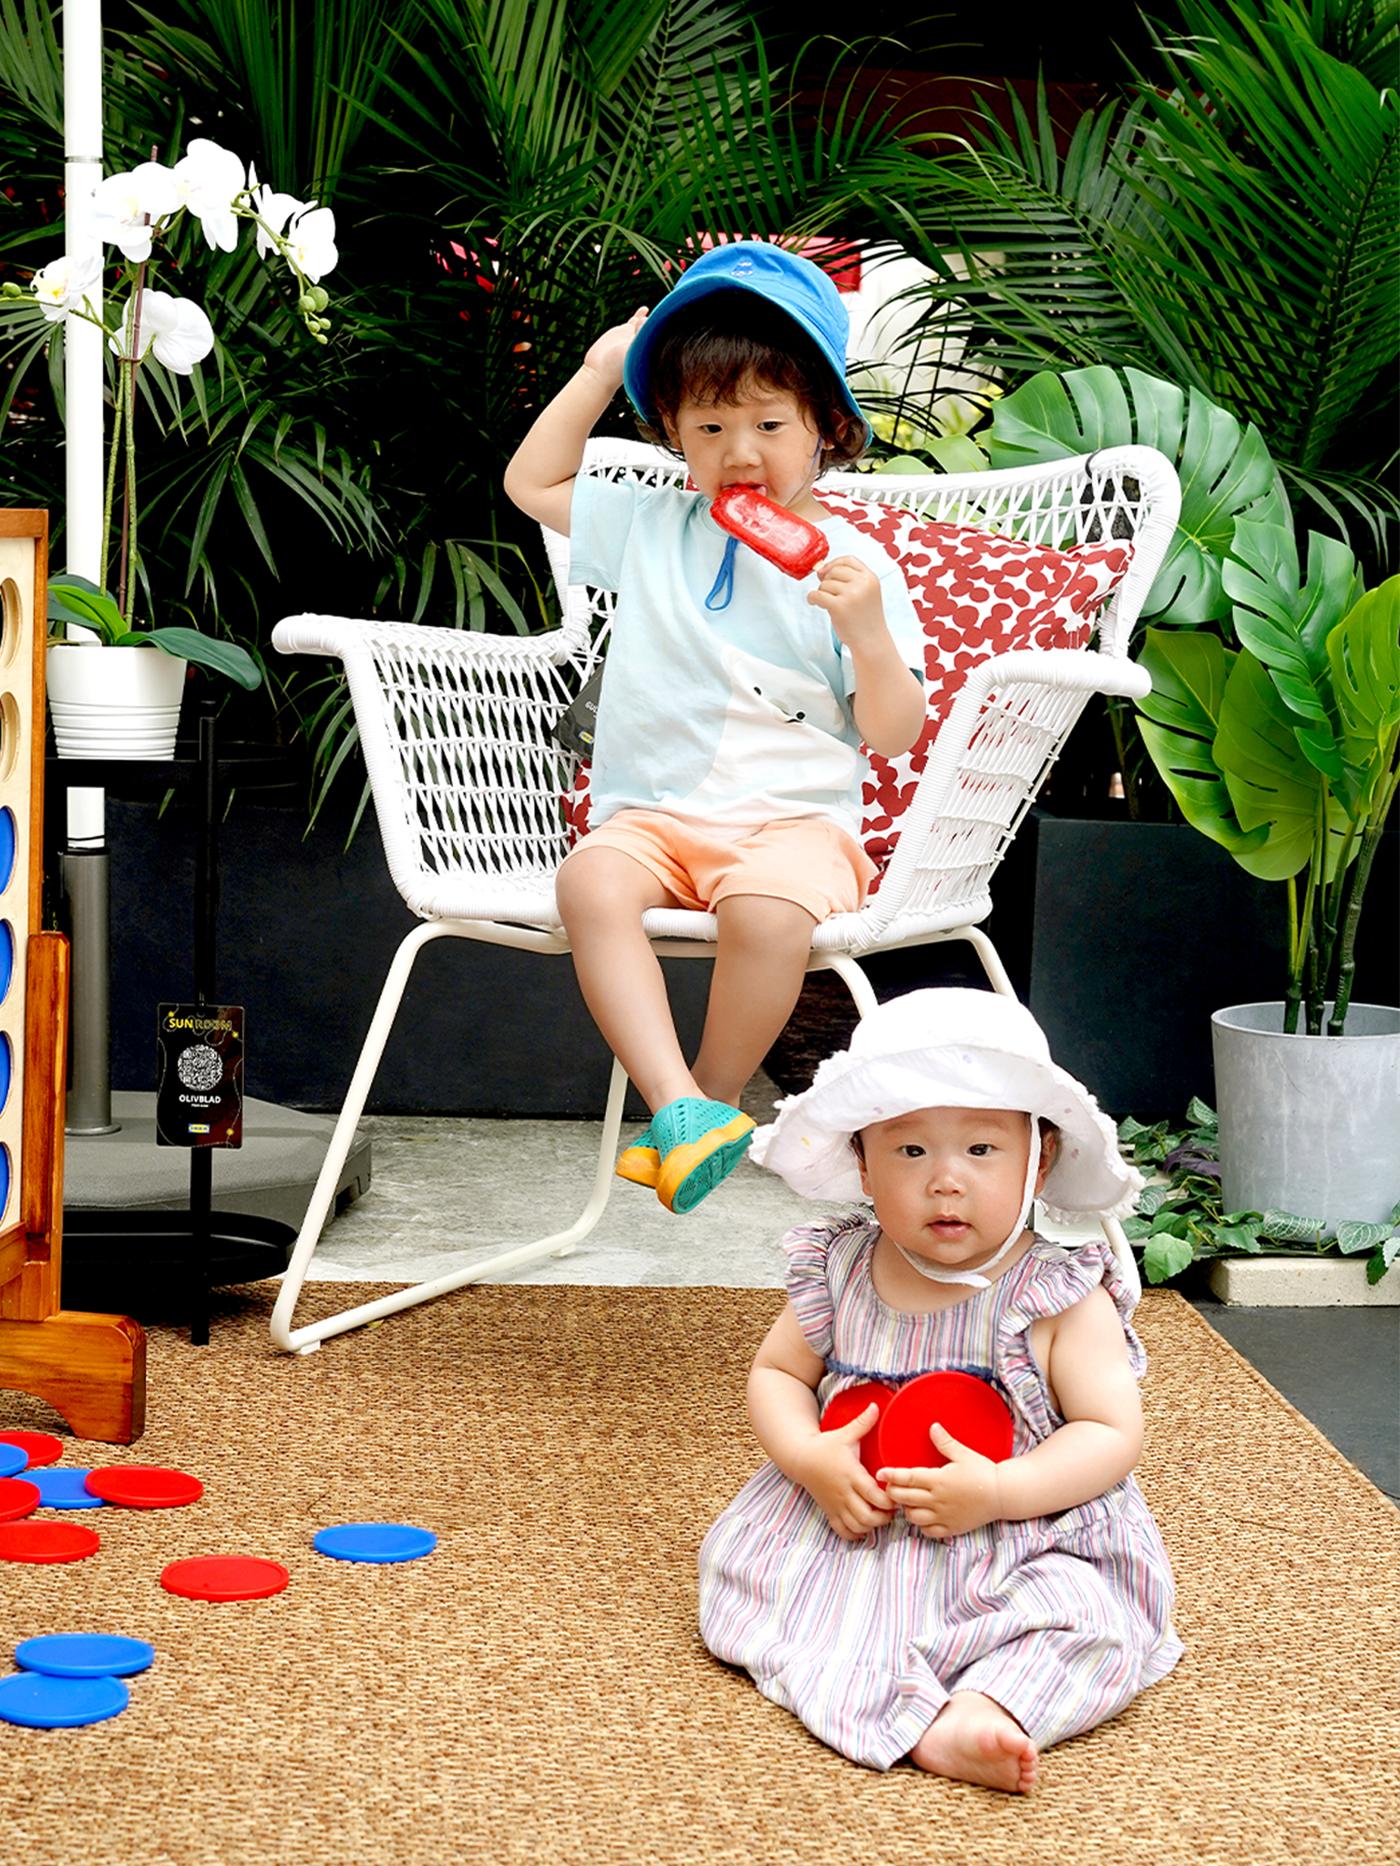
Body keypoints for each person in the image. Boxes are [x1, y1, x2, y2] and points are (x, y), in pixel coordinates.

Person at [503, 242, 927, 1217]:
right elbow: (530, 486)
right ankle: (676, 1107)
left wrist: (863, 633)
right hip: (652, 816)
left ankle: (719, 1092)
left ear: (825, 425)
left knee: (766, 917)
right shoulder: (650, 526)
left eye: (769, 423)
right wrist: (597, 370)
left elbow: (894, 732)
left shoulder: (851, 564)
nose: (740, 451)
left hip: (791, 827)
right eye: (709, 424)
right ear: (672, 436)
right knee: (588, 883)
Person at [698, 987, 1183, 1792]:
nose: (945, 1182)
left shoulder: (1057, 1293)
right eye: (910, 1151)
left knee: (1091, 1618)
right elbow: (778, 1373)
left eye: (982, 1151)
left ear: (1042, 1157)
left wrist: (1001, 1489)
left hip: (1024, 1533)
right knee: (744, 1574)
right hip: (855, 1523)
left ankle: (990, 1705)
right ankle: (902, 1702)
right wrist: (809, 1457)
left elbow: (1108, 1431)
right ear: (862, 1160)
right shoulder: (841, 1267)